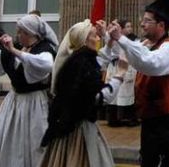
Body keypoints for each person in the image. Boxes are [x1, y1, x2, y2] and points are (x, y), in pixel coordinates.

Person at [108, 0, 169, 167]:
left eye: (147, 21)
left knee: (160, 163)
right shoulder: (145, 44)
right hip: (150, 116)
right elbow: (121, 55)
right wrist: (109, 38)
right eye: (142, 20)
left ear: (161, 25)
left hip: (167, 118)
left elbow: (150, 63)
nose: (142, 24)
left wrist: (121, 38)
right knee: (147, 160)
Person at [40, 19, 125, 167]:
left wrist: (110, 43)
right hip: (79, 129)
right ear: (85, 41)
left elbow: (99, 61)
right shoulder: (82, 64)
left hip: (68, 126)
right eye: (94, 36)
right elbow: (98, 97)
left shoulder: (77, 59)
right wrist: (119, 75)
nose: (98, 38)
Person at [0, 14, 59, 167]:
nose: (17, 35)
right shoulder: (22, 46)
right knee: (11, 139)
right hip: (14, 101)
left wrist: (14, 51)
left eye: (20, 32)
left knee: (33, 141)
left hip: (34, 103)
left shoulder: (44, 48)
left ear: (30, 33)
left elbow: (46, 64)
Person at [105, 19, 138, 128]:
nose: (130, 29)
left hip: (127, 66)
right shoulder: (113, 39)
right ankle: (113, 118)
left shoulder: (132, 39)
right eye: (127, 26)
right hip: (116, 67)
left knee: (128, 93)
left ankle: (128, 117)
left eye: (130, 26)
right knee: (114, 93)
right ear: (122, 29)